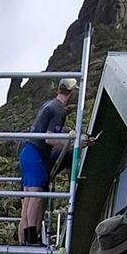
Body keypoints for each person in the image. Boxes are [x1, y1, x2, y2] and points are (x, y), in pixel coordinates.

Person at [17, 78, 89, 245]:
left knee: (29, 196)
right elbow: (50, 138)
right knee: (35, 196)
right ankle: (32, 239)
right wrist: (72, 142)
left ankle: (28, 238)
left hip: (27, 151)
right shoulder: (59, 110)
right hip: (36, 153)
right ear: (71, 93)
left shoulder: (48, 105)